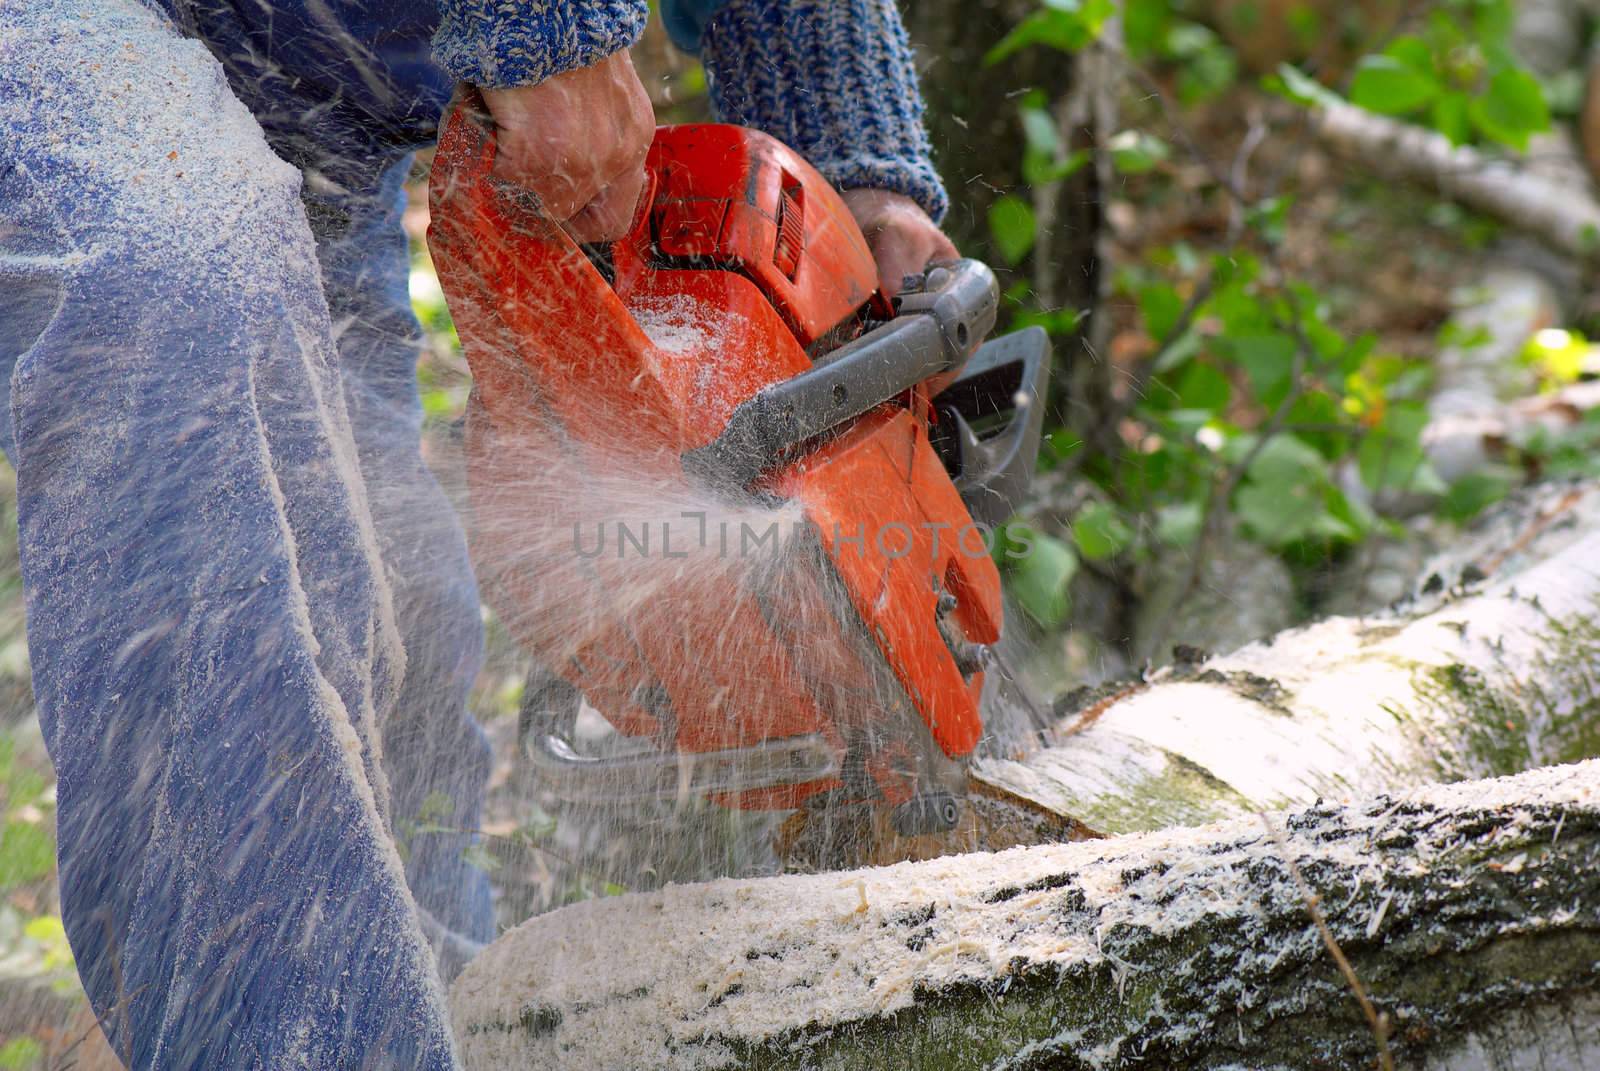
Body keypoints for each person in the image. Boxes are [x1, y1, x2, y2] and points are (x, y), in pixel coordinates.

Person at [0, 0, 957, 1065]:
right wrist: (546, 29)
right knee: (175, 305)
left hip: (316, 92)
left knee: (388, 600)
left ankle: (463, 1023)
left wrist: (845, 161)